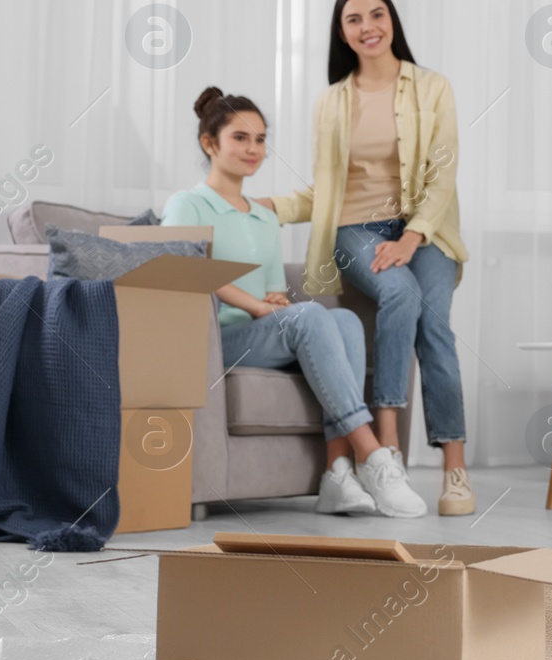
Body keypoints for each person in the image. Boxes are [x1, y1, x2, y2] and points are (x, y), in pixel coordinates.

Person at [259, 0, 475, 517]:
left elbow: (442, 173)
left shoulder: (432, 88)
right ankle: (388, 450)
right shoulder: (331, 102)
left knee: (436, 327)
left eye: (377, 15)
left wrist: (411, 236)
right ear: (342, 32)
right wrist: (272, 206)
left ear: (392, 20)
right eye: (354, 19)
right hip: (356, 229)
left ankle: (455, 469)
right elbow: (326, 189)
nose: (368, 26)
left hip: (427, 230)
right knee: (399, 293)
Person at [164, 88, 428, 518]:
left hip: (260, 335)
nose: (253, 149)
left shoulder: (266, 217)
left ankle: (337, 474)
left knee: (343, 320)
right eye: (240, 138)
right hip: (215, 342)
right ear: (209, 144)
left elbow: (273, 292)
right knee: (310, 315)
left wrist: (273, 300)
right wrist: (254, 305)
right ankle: (373, 457)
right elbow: (181, 270)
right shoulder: (187, 204)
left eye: (260, 139)